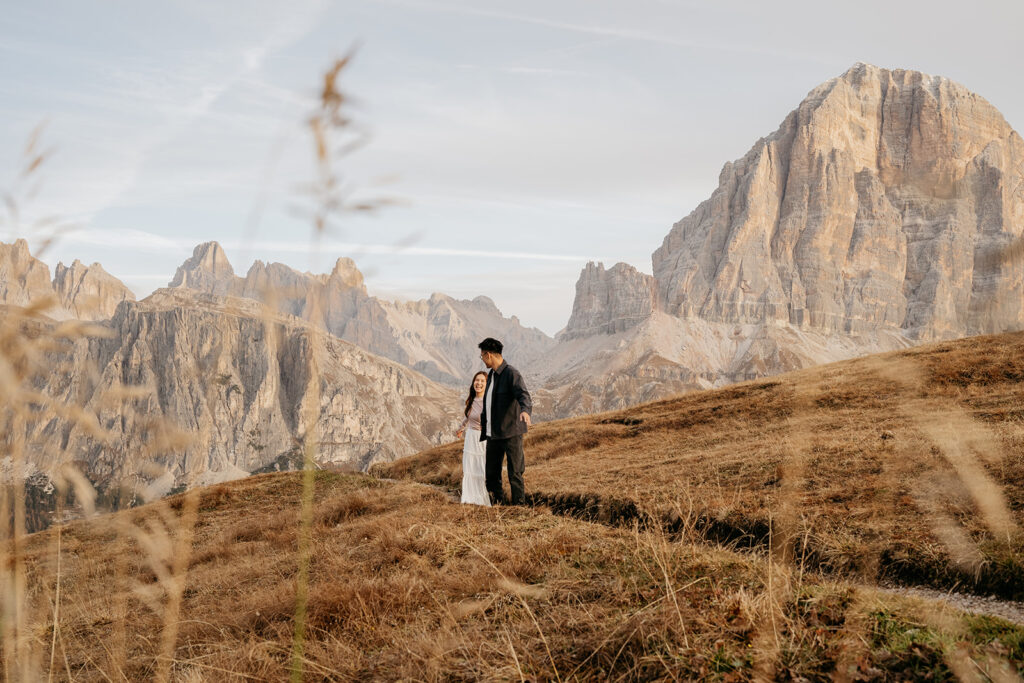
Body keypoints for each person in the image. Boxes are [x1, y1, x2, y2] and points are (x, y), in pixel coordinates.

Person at [478, 337, 532, 505]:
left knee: (515, 472)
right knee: (491, 474)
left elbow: (523, 395)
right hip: (493, 434)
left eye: (482, 356)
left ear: (488, 355)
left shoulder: (511, 373)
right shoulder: (492, 376)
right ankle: (497, 504)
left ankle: (519, 507)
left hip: (511, 432)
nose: (482, 359)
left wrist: (525, 411)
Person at [455, 371, 491, 506]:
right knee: (469, 469)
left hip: (482, 439)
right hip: (470, 438)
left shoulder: (488, 401)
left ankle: (481, 500)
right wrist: (461, 428)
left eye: (482, 381)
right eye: (477, 380)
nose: (479, 383)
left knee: (480, 469)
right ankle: (468, 499)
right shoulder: (472, 399)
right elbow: (468, 416)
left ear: (487, 385)